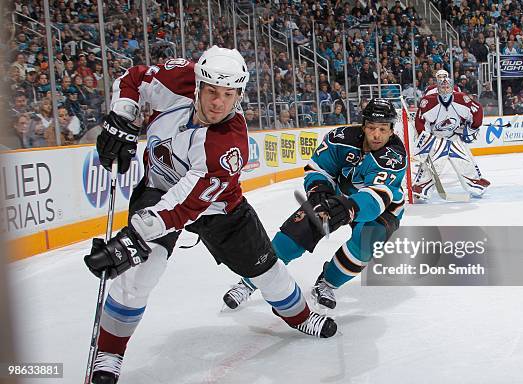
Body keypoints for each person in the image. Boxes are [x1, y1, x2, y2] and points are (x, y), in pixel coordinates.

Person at [84, 46, 337, 384]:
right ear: (199, 84)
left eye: (229, 95)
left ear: (239, 94)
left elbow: (186, 205)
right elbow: (134, 79)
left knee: (268, 272)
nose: (219, 103)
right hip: (157, 190)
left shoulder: (229, 143)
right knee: (138, 277)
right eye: (213, 92)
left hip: (219, 208)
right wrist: (122, 115)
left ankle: (299, 315)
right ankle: (109, 353)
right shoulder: (179, 79)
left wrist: (133, 237)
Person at [222, 98, 407, 311]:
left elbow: (377, 196)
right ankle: (248, 282)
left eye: (383, 129)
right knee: (296, 232)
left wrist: (350, 208)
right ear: (363, 126)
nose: (377, 135)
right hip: (336, 195)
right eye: (372, 127)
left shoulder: (393, 157)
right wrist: (319, 190)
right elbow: (319, 168)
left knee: (365, 245)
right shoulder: (340, 138)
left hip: (381, 208)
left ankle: (326, 284)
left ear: (392, 130)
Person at [412, 70, 489, 200]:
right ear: (437, 83)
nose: (445, 87)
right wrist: (425, 138)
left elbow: (476, 110)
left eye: (447, 85)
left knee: (465, 160)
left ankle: (474, 184)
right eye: (442, 84)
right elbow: (420, 121)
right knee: (434, 163)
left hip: (454, 136)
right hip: (437, 137)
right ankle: (422, 186)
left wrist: (470, 127)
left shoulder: (461, 98)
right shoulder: (428, 99)